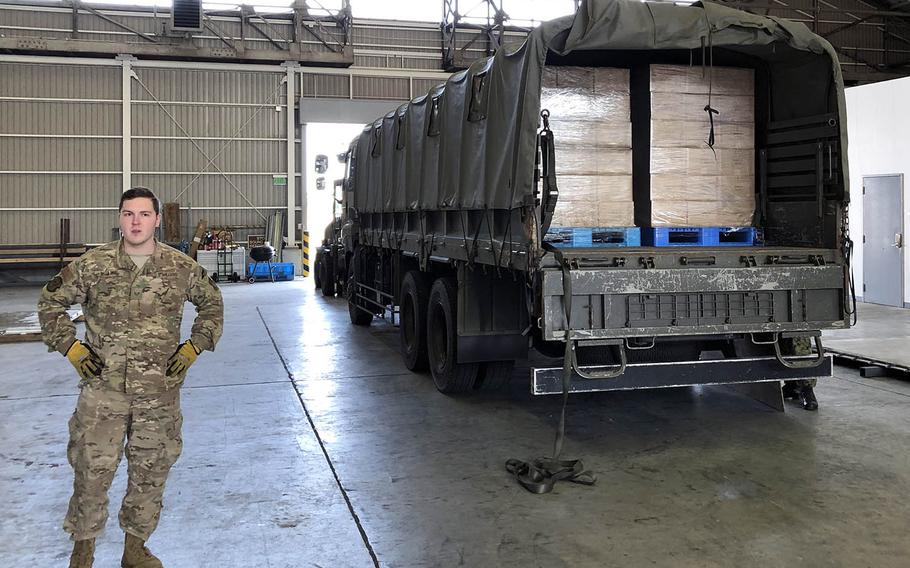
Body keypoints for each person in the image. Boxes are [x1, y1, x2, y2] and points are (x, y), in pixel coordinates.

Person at [38, 187, 224, 568]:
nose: (136, 221)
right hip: (102, 392)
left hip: (159, 394)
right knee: (92, 470)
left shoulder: (180, 267)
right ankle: (83, 551)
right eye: (128, 214)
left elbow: (212, 306)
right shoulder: (94, 265)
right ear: (119, 219)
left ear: (157, 220)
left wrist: (193, 347)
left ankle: (135, 549)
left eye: (143, 214)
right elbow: (50, 302)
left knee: (151, 470)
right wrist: (71, 348)